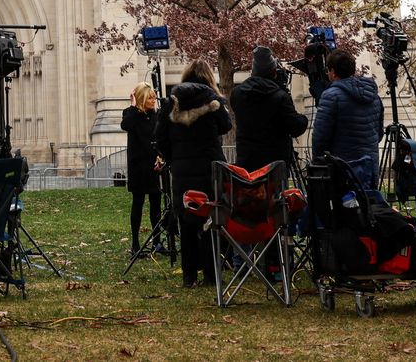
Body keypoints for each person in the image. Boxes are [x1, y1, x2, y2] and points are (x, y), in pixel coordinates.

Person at [157, 60, 230, 288]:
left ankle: (189, 276)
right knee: (209, 217)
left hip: (182, 169)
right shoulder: (213, 101)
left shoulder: (171, 103)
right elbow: (226, 126)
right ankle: (210, 274)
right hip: (209, 167)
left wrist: (172, 157)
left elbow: (160, 137)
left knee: (186, 220)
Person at [312, 50, 384, 199]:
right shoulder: (374, 97)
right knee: (368, 210)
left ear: (332, 71)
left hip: (342, 169)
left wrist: (318, 163)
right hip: (369, 166)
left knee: (344, 215)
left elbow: (320, 137)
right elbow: (379, 133)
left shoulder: (331, 96)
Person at [232, 46, 309, 176]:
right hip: (275, 165)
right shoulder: (279, 96)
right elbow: (296, 127)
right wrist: (303, 118)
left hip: (247, 161)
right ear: (273, 72)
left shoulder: (237, 93)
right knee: (278, 195)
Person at [120, 83, 164, 251]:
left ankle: (157, 241)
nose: (153, 101)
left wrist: (161, 157)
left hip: (154, 165)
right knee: (137, 204)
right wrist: (132, 106)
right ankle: (136, 243)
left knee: (156, 204)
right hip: (138, 165)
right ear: (141, 99)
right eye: (150, 98)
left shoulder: (157, 115)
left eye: (154, 97)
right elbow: (126, 126)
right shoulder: (130, 114)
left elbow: (160, 137)